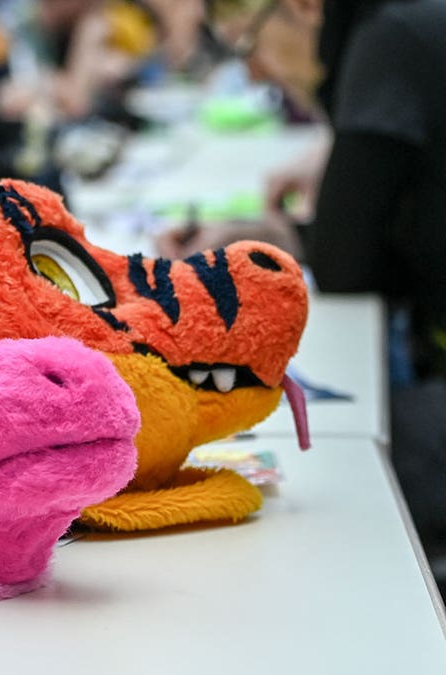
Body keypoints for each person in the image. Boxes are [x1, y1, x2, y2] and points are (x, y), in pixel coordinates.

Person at [158, 0, 446, 592]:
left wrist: (311, 229)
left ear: (304, 6)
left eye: (248, 47)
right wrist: (290, 233)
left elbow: (349, 267)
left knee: (329, 504)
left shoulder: (390, 37)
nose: (258, 76)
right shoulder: (415, 23)